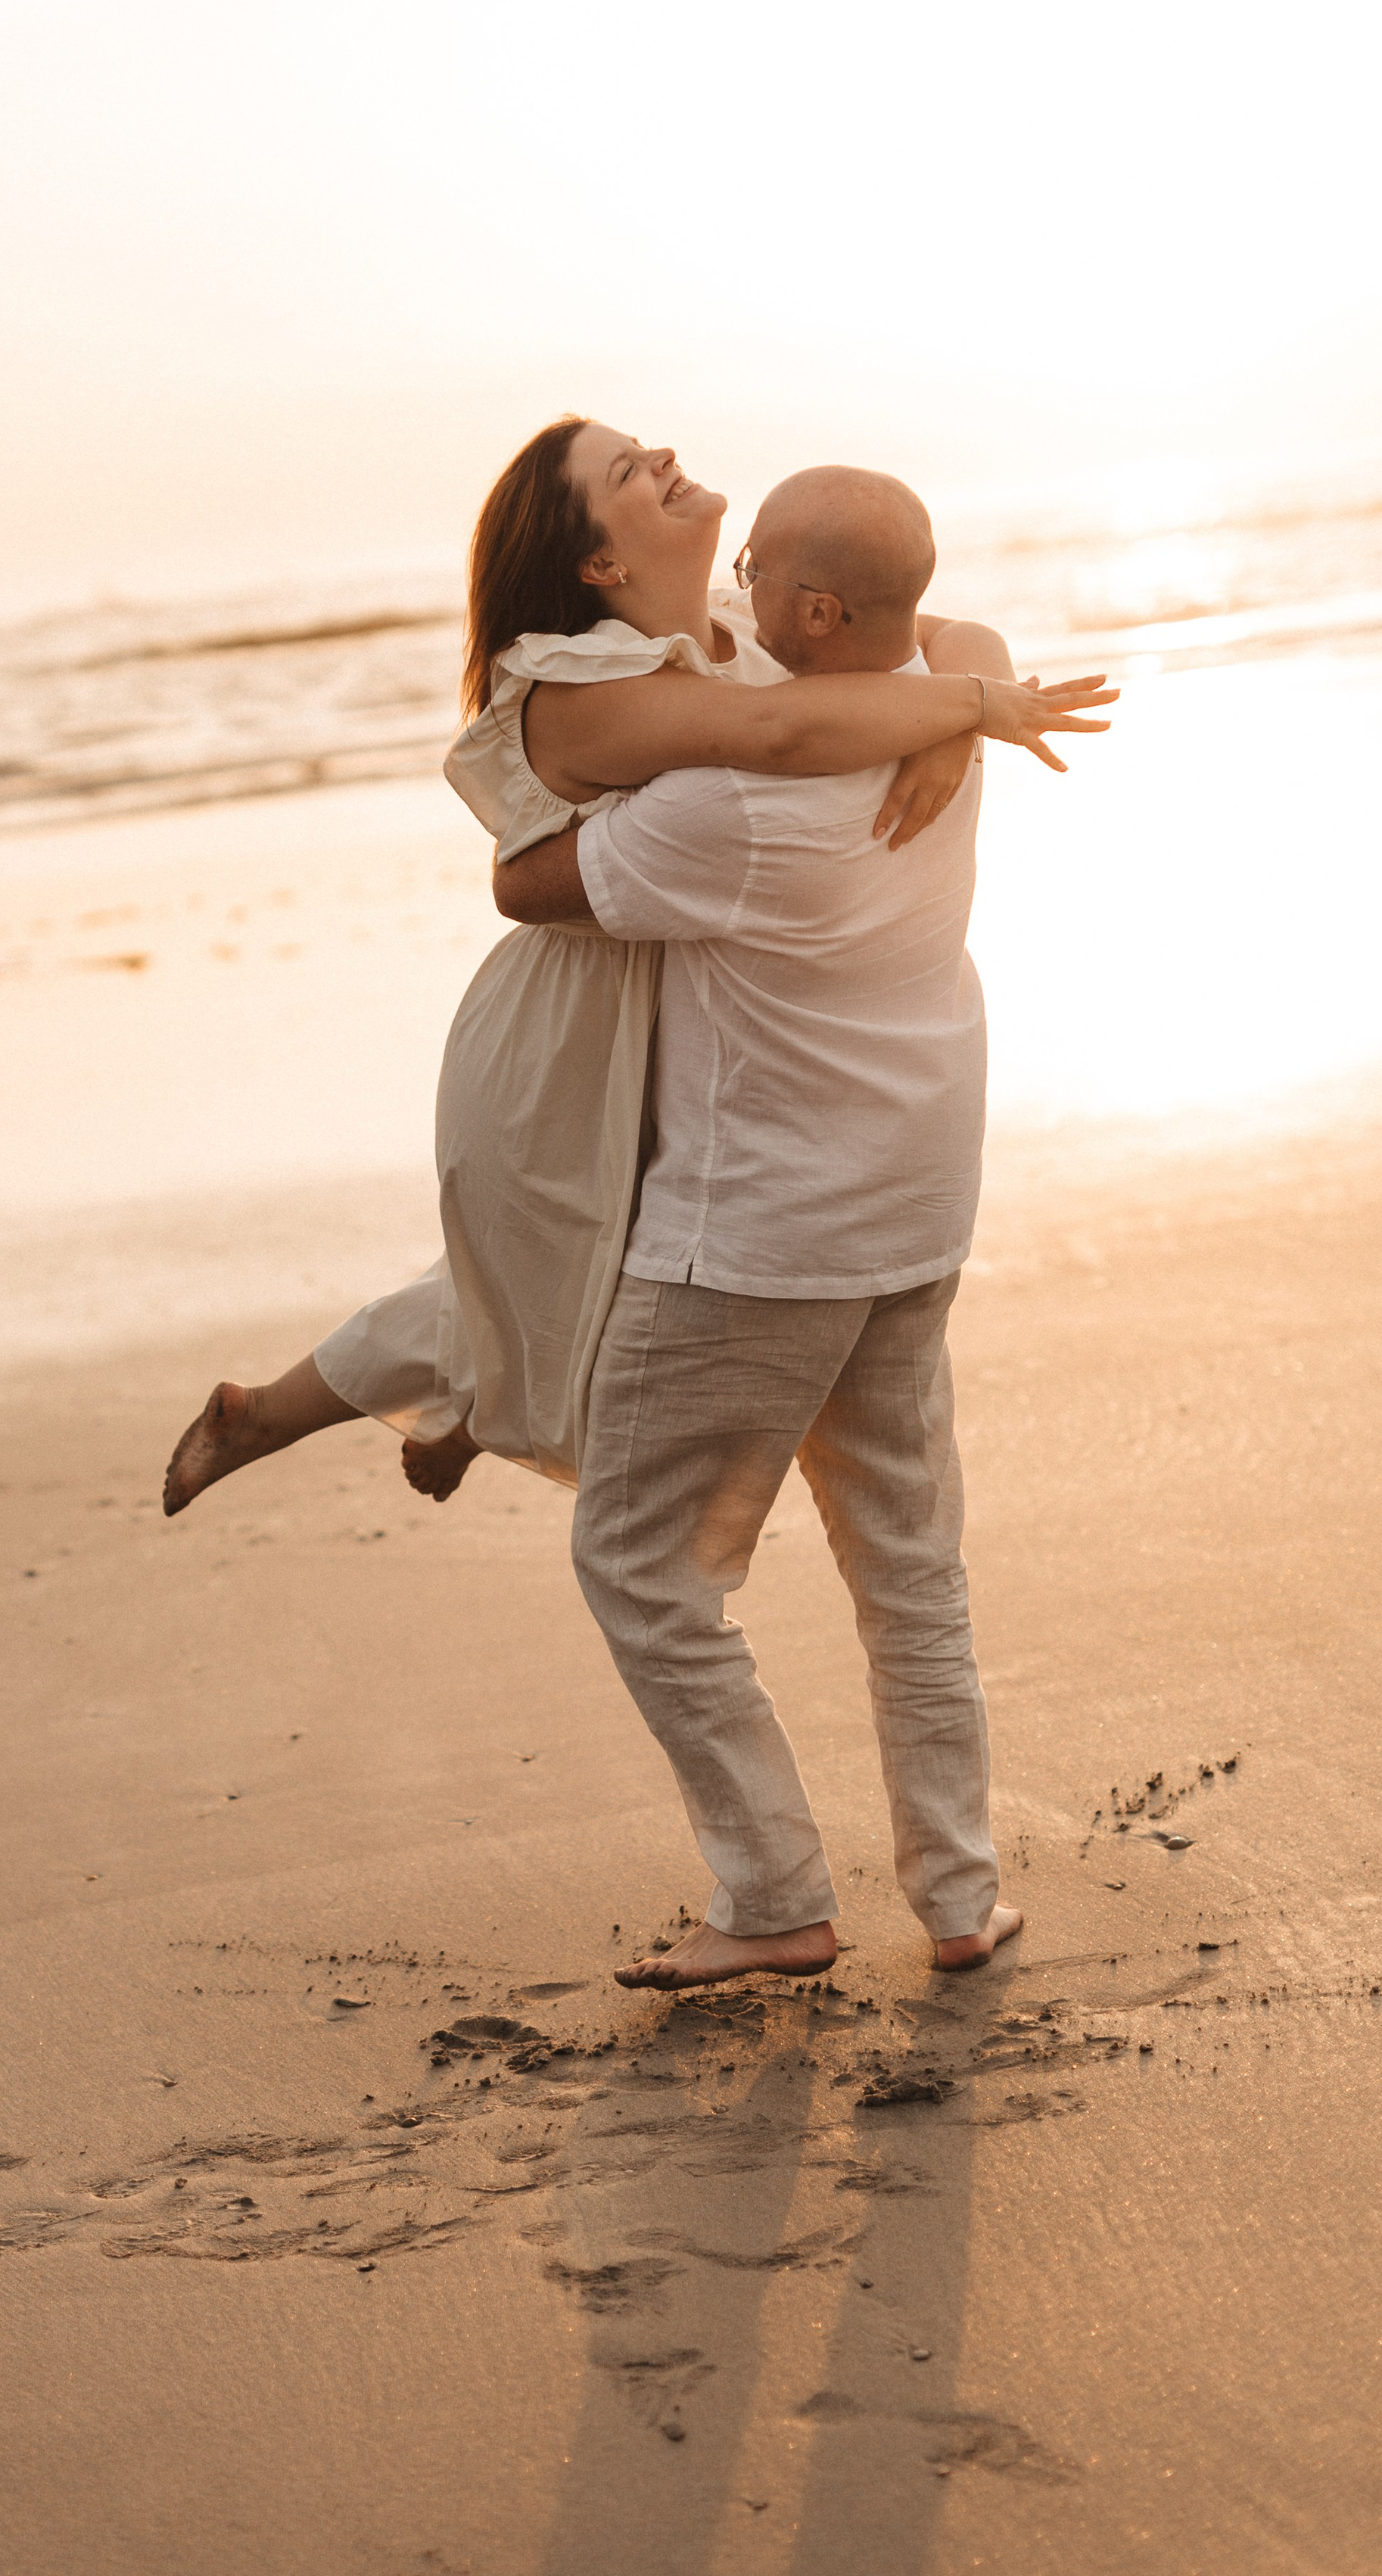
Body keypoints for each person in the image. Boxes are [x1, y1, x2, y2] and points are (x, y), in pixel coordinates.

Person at [162, 418, 1110, 1524]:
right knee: (552, 1267)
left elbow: (944, 629)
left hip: (666, 991)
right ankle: (392, 1414)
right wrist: (973, 709)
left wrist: (969, 705)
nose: (662, 455)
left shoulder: (719, 631)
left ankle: (329, 1410)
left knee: (548, 1274)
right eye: (627, 471)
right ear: (602, 563)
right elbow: (784, 735)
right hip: (569, 1024)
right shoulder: (588, 685)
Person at [494, 462, 1080, 1984]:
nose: (737, 584)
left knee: (636, 1561)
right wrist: (969, 703)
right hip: (912, 1211)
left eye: (757, 570)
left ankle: (771, 1899)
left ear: (810, 611)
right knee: (907, 1564)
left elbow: (527, 885)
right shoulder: (938, 701)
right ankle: (957, 1900)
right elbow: (954, 636)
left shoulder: (724, 805)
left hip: (756, 1244)